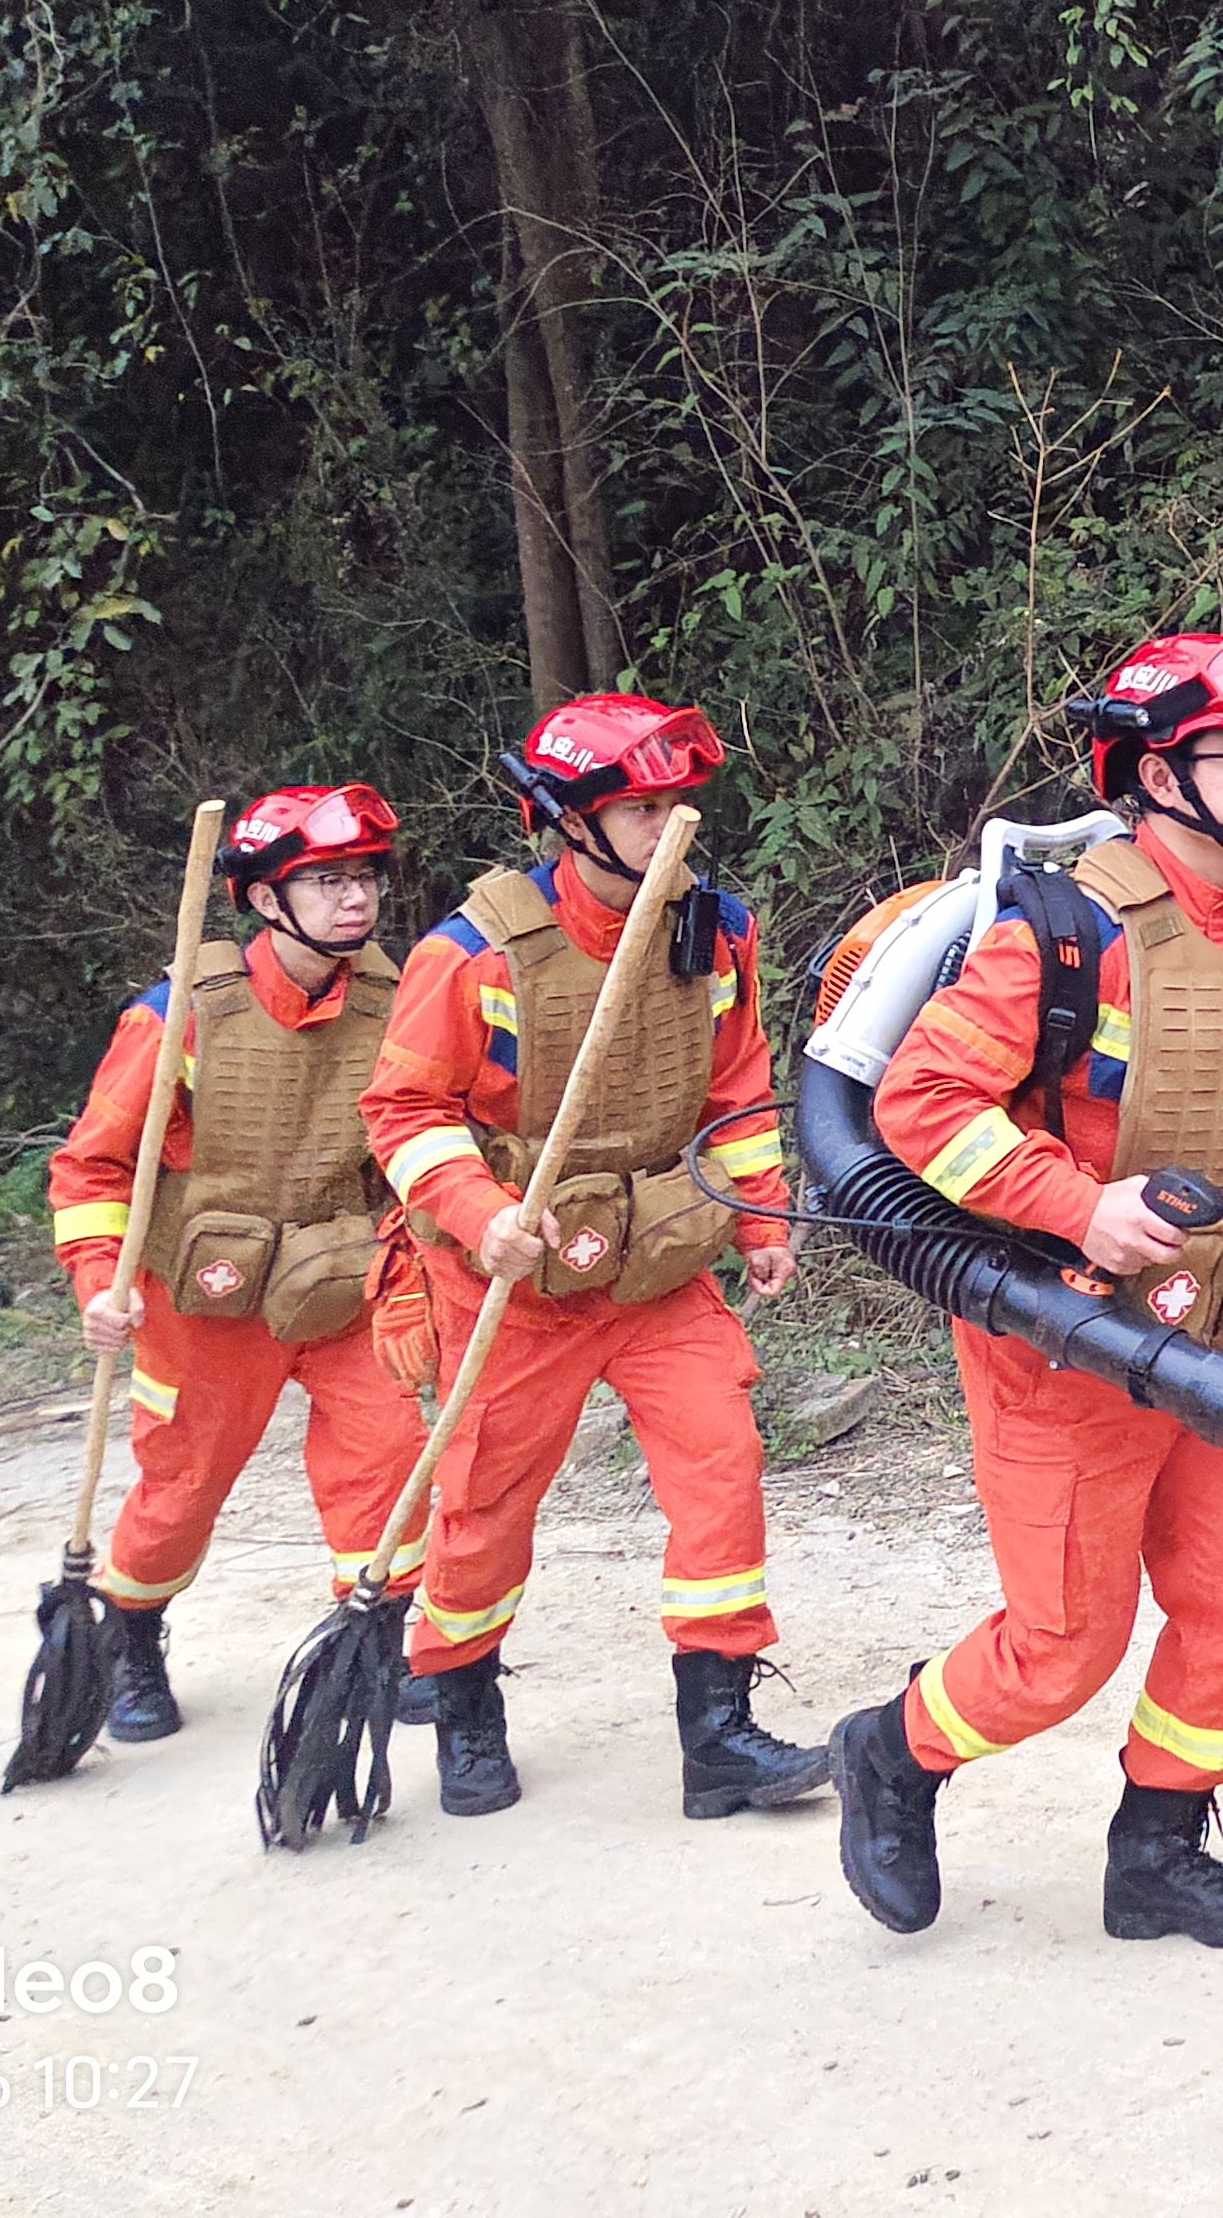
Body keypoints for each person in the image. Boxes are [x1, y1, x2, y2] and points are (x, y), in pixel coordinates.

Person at [830, 622, 1223, 1949]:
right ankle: (894, 1753)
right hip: (1059, 1338)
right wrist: (1081, 1206)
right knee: (1064, 1645)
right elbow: (922, 1105)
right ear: (1149, 773)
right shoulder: (1061, 935)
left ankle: (1159, 1854)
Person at [355, 692, 827, 1822]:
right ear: (572, 820)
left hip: (660, 1262)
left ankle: (717, 1734)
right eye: (645, 806)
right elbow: (403, 1109)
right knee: (485, 1502)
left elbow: (737, 1088)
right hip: (513, 1275)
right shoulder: (472, 952)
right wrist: (476, 1214)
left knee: (722, 1465)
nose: (676, 825)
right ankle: (463, 1705)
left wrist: (761, 1217)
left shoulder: (716, 930)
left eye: (681, 802)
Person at [45, 784, 429, 1742]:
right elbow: (92, 1164)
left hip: (344, 1280)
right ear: (265, 900)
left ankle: (374, 1643)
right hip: (204, 1297)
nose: (358, 900)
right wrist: (102, 1284)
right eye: (328, 881)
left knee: (391, 1462)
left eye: (367, 878)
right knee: (183, 1484)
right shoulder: (180, 1013)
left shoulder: (402, 1002)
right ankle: (132, 1638)